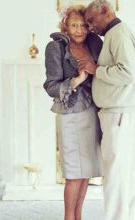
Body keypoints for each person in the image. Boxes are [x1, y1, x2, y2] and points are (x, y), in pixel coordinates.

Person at [79, 0, 135, 219]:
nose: (90, 26)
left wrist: (97, 70)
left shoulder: (118, 34)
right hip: (118, 112)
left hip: (118, 113)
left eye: (91, 20)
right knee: (123, 173)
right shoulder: (115, 34)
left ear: (105, 11)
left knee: (115, 174)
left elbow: (127, 73)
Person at [43, 5, 103, 220]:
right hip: (70, 114)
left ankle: (78, 216)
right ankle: (69, 217)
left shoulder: (94, 44)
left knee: (85, 172)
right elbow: (50, 86)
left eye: (83, 26)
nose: (79, 30)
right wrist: (76, 80)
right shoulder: (55, 48)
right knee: (73, 174)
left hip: (92, 112)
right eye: (74, 25)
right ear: (65, 27)